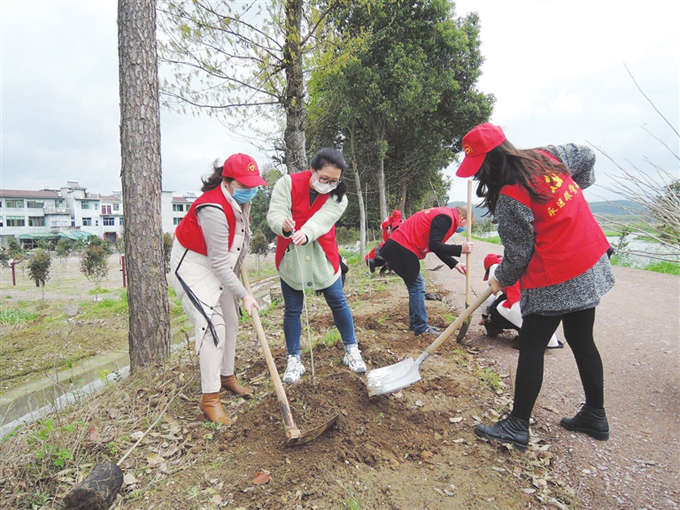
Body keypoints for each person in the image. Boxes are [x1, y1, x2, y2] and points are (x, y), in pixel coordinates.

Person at [456, 123, 615, 451]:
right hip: (589, 261)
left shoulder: (510, 197)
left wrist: (501, 277)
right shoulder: (548, 156)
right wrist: (570, 198)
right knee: (582, 339)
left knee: (531, 345)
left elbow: (518, 256)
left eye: (478, 169)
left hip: (556, 275)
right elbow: (586, 155)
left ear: (489, 163)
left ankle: (517, 425)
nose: (478, 177)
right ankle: (595, 415)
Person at [171, 154, 267, 425]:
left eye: (254, 184)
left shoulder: (240, 200)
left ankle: (226, 377)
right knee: (214, 327)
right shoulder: (211, 208)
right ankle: (209, 399)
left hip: (221, 264)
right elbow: (216, 261)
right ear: (227, 181)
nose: (251, 190)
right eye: (245, 184)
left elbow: (236, 243)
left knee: (232, 321)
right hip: (193, 264)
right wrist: (245, 294)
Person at [267, 148, 367, 383]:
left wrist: (307, 232)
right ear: (312, 170)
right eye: (324, 179)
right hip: (291, 256)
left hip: (323, 255)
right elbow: (275, 212)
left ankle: (351, 349)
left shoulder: (339, 197)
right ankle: (294, 359)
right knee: (292, 309)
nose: (329, 184)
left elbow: (322, 220)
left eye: (334, 180)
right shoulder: (287, 184)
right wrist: (282, 223)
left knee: (337, 300)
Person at [380, 205, 474, 336]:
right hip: (402, 247)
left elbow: (437, 247)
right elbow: (434, 244)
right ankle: (421, 327)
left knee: (416, 286)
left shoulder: (444, 215)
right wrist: (460, 249)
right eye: (466, 224)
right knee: (417, 286)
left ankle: (416, 324)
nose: (464, 228)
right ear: (463, 218)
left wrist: (455, 264)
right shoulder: (445, 218)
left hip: (399, 246)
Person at [481, 254, 563, 349]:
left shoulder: (495, 267)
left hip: (519, 302)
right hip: (535, 298)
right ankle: (542, 339)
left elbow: (489, 297)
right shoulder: (515, 262)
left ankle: (529, 340)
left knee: (496, 309)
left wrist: (485, 316)